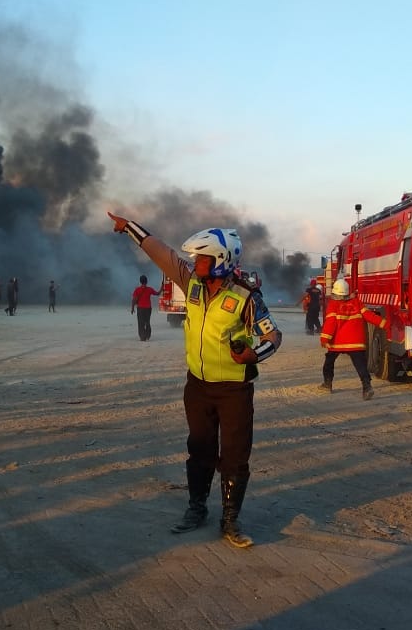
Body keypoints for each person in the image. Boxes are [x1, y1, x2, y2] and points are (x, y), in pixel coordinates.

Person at [108, 211, 282, 548]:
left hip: (234, 390)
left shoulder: (247, 298)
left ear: (218, 260)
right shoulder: (192, 286)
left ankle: (230, 519)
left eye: (200, 257)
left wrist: (254, 355)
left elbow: (273, 335)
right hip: (198, 387)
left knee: (234, 456)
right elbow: (162, 253)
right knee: (199, 449)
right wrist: (129, 227)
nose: (193, 262)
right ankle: (196, 508)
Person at [319, 278, 387, 399]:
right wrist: (383, 323)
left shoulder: (333, 305)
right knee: (360, 365)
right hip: (356, 342)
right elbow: (369, 316)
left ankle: (327, 384)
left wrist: (324, 339)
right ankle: (367, 387)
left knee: (329, 362)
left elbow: (330, 323)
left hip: (337, 343)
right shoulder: (357, 302)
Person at [130, 274, 159, 341]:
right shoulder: (150, 289)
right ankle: (148, 335)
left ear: (140, 281)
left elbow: (134, 299)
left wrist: (132, 308)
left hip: (140, 309)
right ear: (146, 281)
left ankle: (142, 337)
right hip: (148, 309)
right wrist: (162, 287)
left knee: (140, 323)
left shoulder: (137, 290)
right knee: (147, 322)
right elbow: (157, 293)